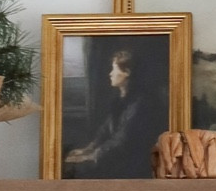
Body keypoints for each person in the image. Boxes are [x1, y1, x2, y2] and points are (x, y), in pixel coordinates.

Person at [62, 40, 168, 178]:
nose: (110, 74)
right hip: (115, 156)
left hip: (134, 164)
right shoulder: (120, 100)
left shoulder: (141, 103)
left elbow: (122, 140)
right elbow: (105, 130)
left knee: (77, 171)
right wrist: (88, 149)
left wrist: (92, 156)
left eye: (114, 69)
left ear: (127, 73)